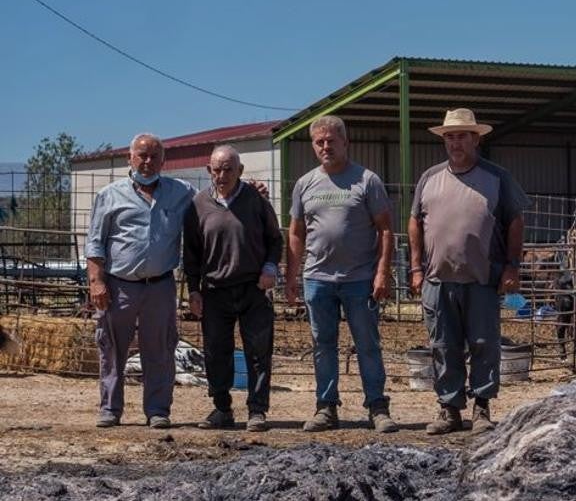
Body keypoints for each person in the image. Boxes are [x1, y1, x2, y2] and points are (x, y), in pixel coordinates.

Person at [409, 108, 529, 435]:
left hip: (482, 277)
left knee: (483, 342)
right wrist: (416, 267)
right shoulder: (429, 178)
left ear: (476, 139)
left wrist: (512, 267)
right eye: (450, 136)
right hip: (438, 276)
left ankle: (482, 407)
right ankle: (449, 409)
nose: (455, 142)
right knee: (443, 345)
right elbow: (415, 221)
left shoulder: (497, 177)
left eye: (462, 135)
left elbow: (515, 221)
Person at [284, 115, 399, 433]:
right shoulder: (305, 184)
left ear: (345, 143)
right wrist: (291, 277)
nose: (325, 146)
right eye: (319, 142)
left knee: (367, 344)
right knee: (323, 344)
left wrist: (381, 273)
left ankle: (377, 406)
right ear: (313, 146)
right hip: (317, 278)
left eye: (331, 140)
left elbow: (386, 230)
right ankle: (326, 407)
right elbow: (295, 233)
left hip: (359, 278)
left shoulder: (366, 180)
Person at [86, 133, 196, 429]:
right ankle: (110, 408)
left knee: (160, 348)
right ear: (130, 158)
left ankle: (158, 410)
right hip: (118, 285)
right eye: (142, 156)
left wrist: (253, 189)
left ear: (164, 161)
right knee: (111, 348)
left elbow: (214, 203)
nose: (148, 162)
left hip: (160, 285)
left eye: (154, 157)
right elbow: (95, 243)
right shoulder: (109, 195)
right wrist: (96, 281)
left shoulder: (182, 192)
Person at [183, 145, 283, 432]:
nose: (222, 175)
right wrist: (193, 289)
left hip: (253, 288)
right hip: (215, 289)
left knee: (259, 351)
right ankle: (221, 407)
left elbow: (275, 240)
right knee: (215, 351)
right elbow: (191, 253)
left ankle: (257, 410)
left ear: (240, 171)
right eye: (217, 169)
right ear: (208, 171)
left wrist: (270, 268)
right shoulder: (197, 205)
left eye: (228, 169)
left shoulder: (256, 200)